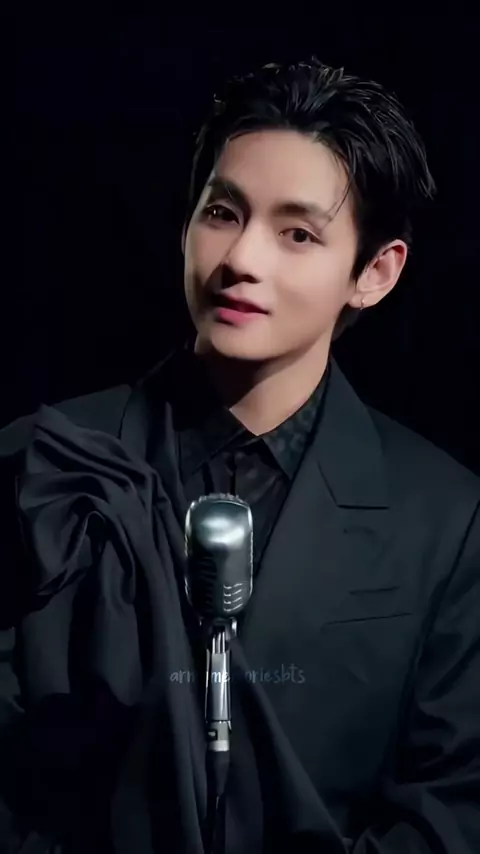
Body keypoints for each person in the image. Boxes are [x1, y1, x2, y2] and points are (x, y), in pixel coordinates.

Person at [1, 56, 479, 854]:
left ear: (374, 272)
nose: (242, 260)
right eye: (223, 212)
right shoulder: (43, 461)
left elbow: (453, 807)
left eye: (298, 234)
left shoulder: (447, 519)